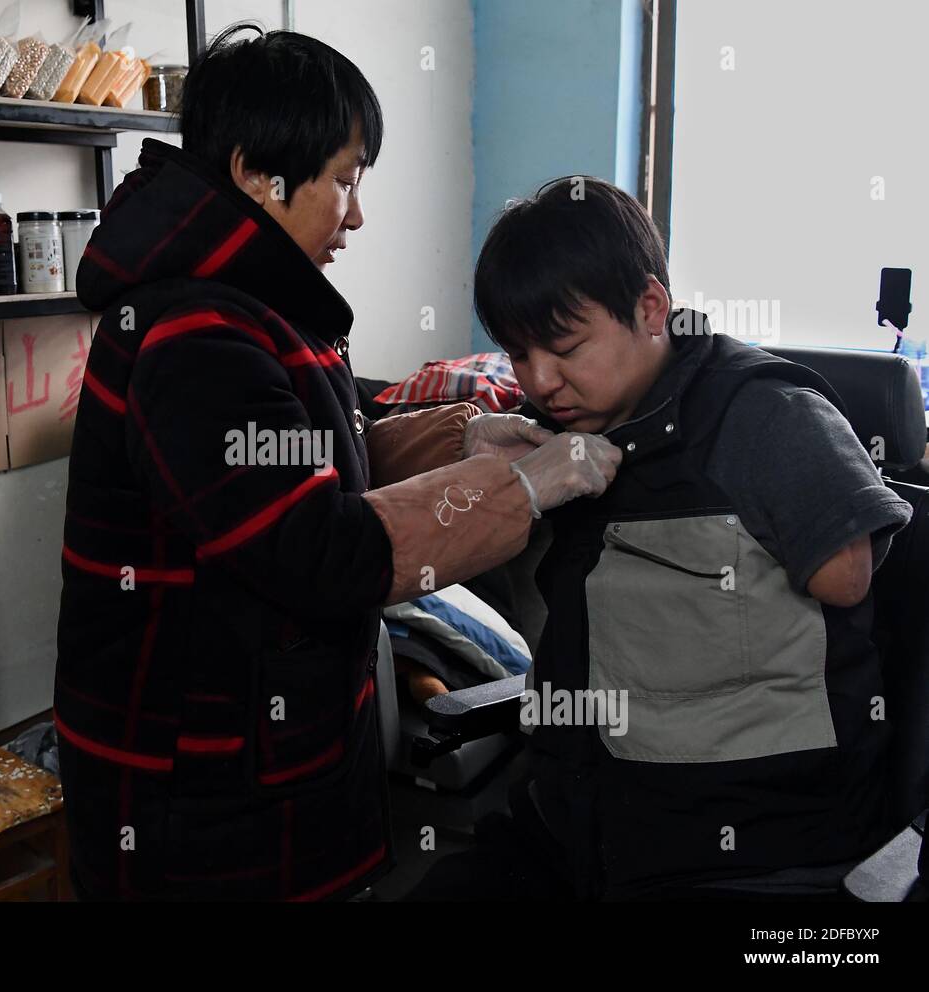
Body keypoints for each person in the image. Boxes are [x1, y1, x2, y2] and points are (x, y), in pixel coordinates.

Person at [53, 27, 620, 901]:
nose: (357, 215)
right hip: (201, 794)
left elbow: (308, 463)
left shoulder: (252, 310)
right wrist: (517, 488)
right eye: (346, 181)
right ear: (256, 176)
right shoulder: (197, 335)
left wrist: (462, 440)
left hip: (261, 757)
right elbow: (320, 549)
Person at [411, 176, 913, 901]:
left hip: (747, 850)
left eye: (565, 347)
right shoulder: (556, 436)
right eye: (519, 355)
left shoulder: (765, 416)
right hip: (576, 824)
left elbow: (847, 577)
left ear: (650, 309)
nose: (541, 380)